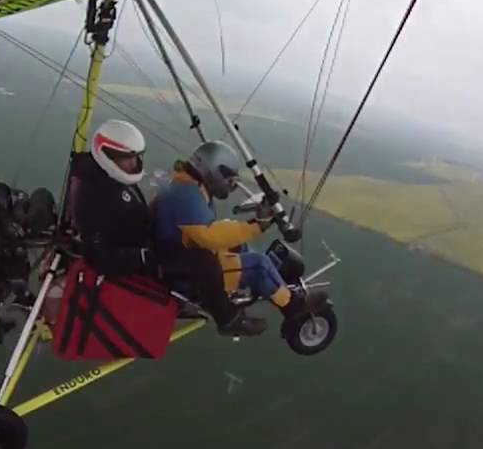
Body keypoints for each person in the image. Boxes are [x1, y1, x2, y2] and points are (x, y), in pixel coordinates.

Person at [151, 140, 325, 337]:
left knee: (239, 245)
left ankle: (272, 284)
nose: (231, 185)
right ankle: (293, 306)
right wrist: (257, 225)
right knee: (259, 264)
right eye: (228, 180)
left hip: (180, 253)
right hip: (185, 274)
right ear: (214, 171)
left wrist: (253, 223)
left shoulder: (186, 184)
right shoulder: (187, 194)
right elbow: (209, 235)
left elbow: (203, 231)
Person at [64, 119, 157, 277]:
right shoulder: (94, 194)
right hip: (129, 268)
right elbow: (99, 256)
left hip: (142, 244)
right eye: (127, 158)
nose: (133, 164)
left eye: (136, 157)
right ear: (108, 155)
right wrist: (143, 257)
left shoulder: (113, 179)